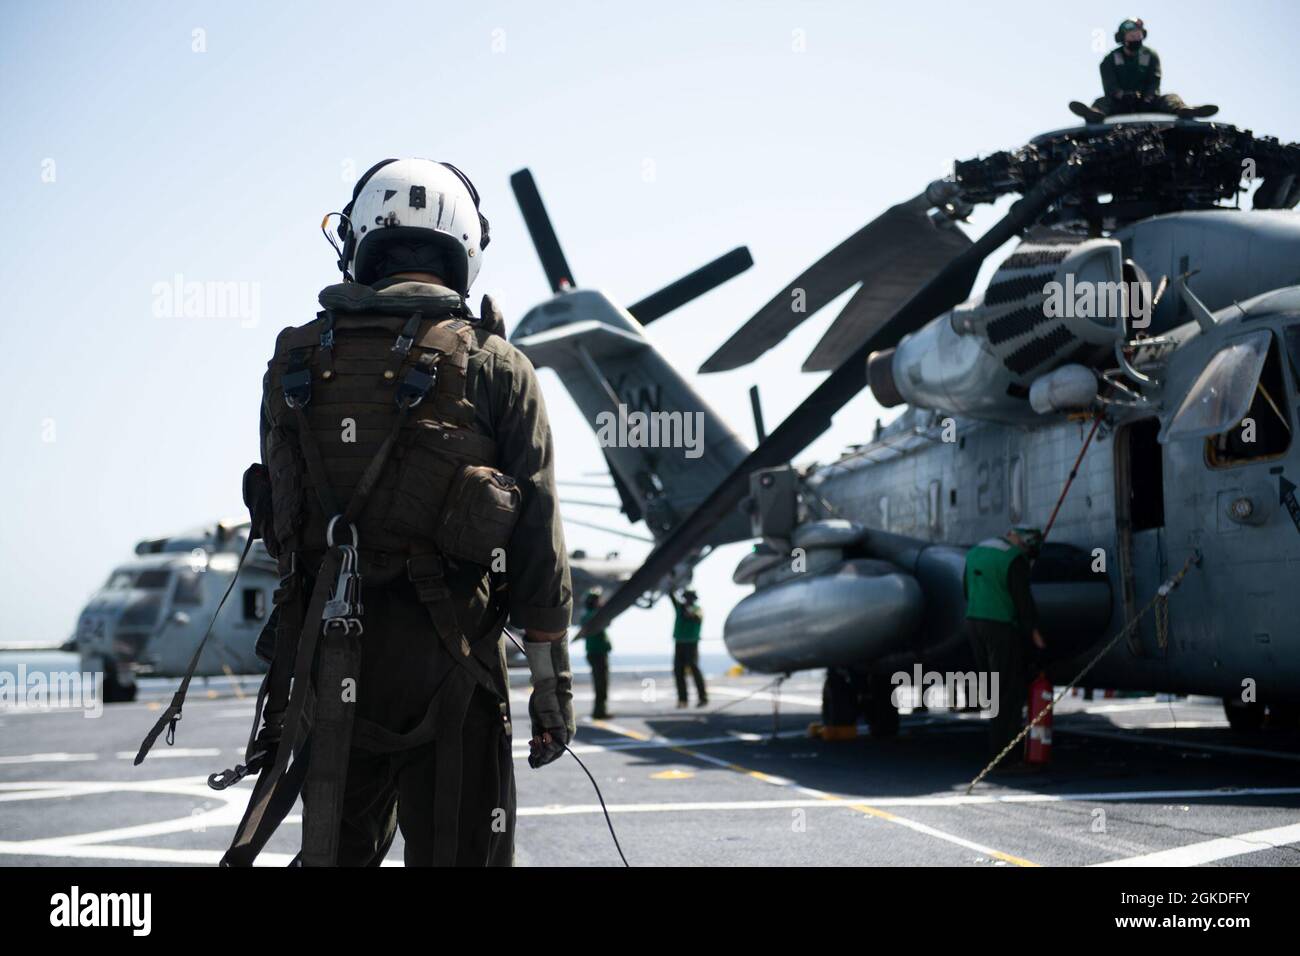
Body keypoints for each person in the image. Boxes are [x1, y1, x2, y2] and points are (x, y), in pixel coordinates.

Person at [226, 158, 574, 867]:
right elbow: (538, 544)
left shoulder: (291, 365)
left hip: (329, 661)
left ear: (357, 242)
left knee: (336, 853)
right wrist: (550, 689)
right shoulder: (498, 365)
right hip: (454, 662)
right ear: (464, 248)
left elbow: (281, 523)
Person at [964, 527, 1045, 765]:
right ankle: (1005, 755)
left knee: (992, 689)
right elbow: (1023, 601)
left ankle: (997, 749)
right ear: (1024, 543)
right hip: (1001, 626)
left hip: (974, 624)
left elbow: (966, 590)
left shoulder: (976, 552)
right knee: (1009, 691)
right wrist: (1035, 632)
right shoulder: (1014, 558)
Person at [1069, 18, 1218, 123]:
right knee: (1101, 102)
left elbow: (1155, 80)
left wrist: (1147, 97)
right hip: (1120, 103)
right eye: (1132, 35)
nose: (1136, 38)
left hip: (1147, 102)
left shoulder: (1150, 55)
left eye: (1138, 35)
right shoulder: (1110, 59)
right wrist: (1122, 95)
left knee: (1170, 98)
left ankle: (1184, 111)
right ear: (1123, 38)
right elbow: (1109, 85)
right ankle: (1094, 115)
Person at [578, 587, 613, 719]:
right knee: (601, 684)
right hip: (597, 654)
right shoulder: (593, 616)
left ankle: (600, 710)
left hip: (595, 653)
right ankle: (599, 712)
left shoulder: (587, 615)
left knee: (600, 684)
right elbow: (606, 622)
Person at [671, 588, 708, 708]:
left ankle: (703, 698)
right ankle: (683, 700)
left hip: (691, 644)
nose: (687, 600)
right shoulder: (679, 608)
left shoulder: (697, 610)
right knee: (678, 671)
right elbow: (671, 596)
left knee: (694, 669)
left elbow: (694, 617)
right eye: (686, 598)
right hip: (679, 643)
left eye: (689, 598)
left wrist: (687, 610)